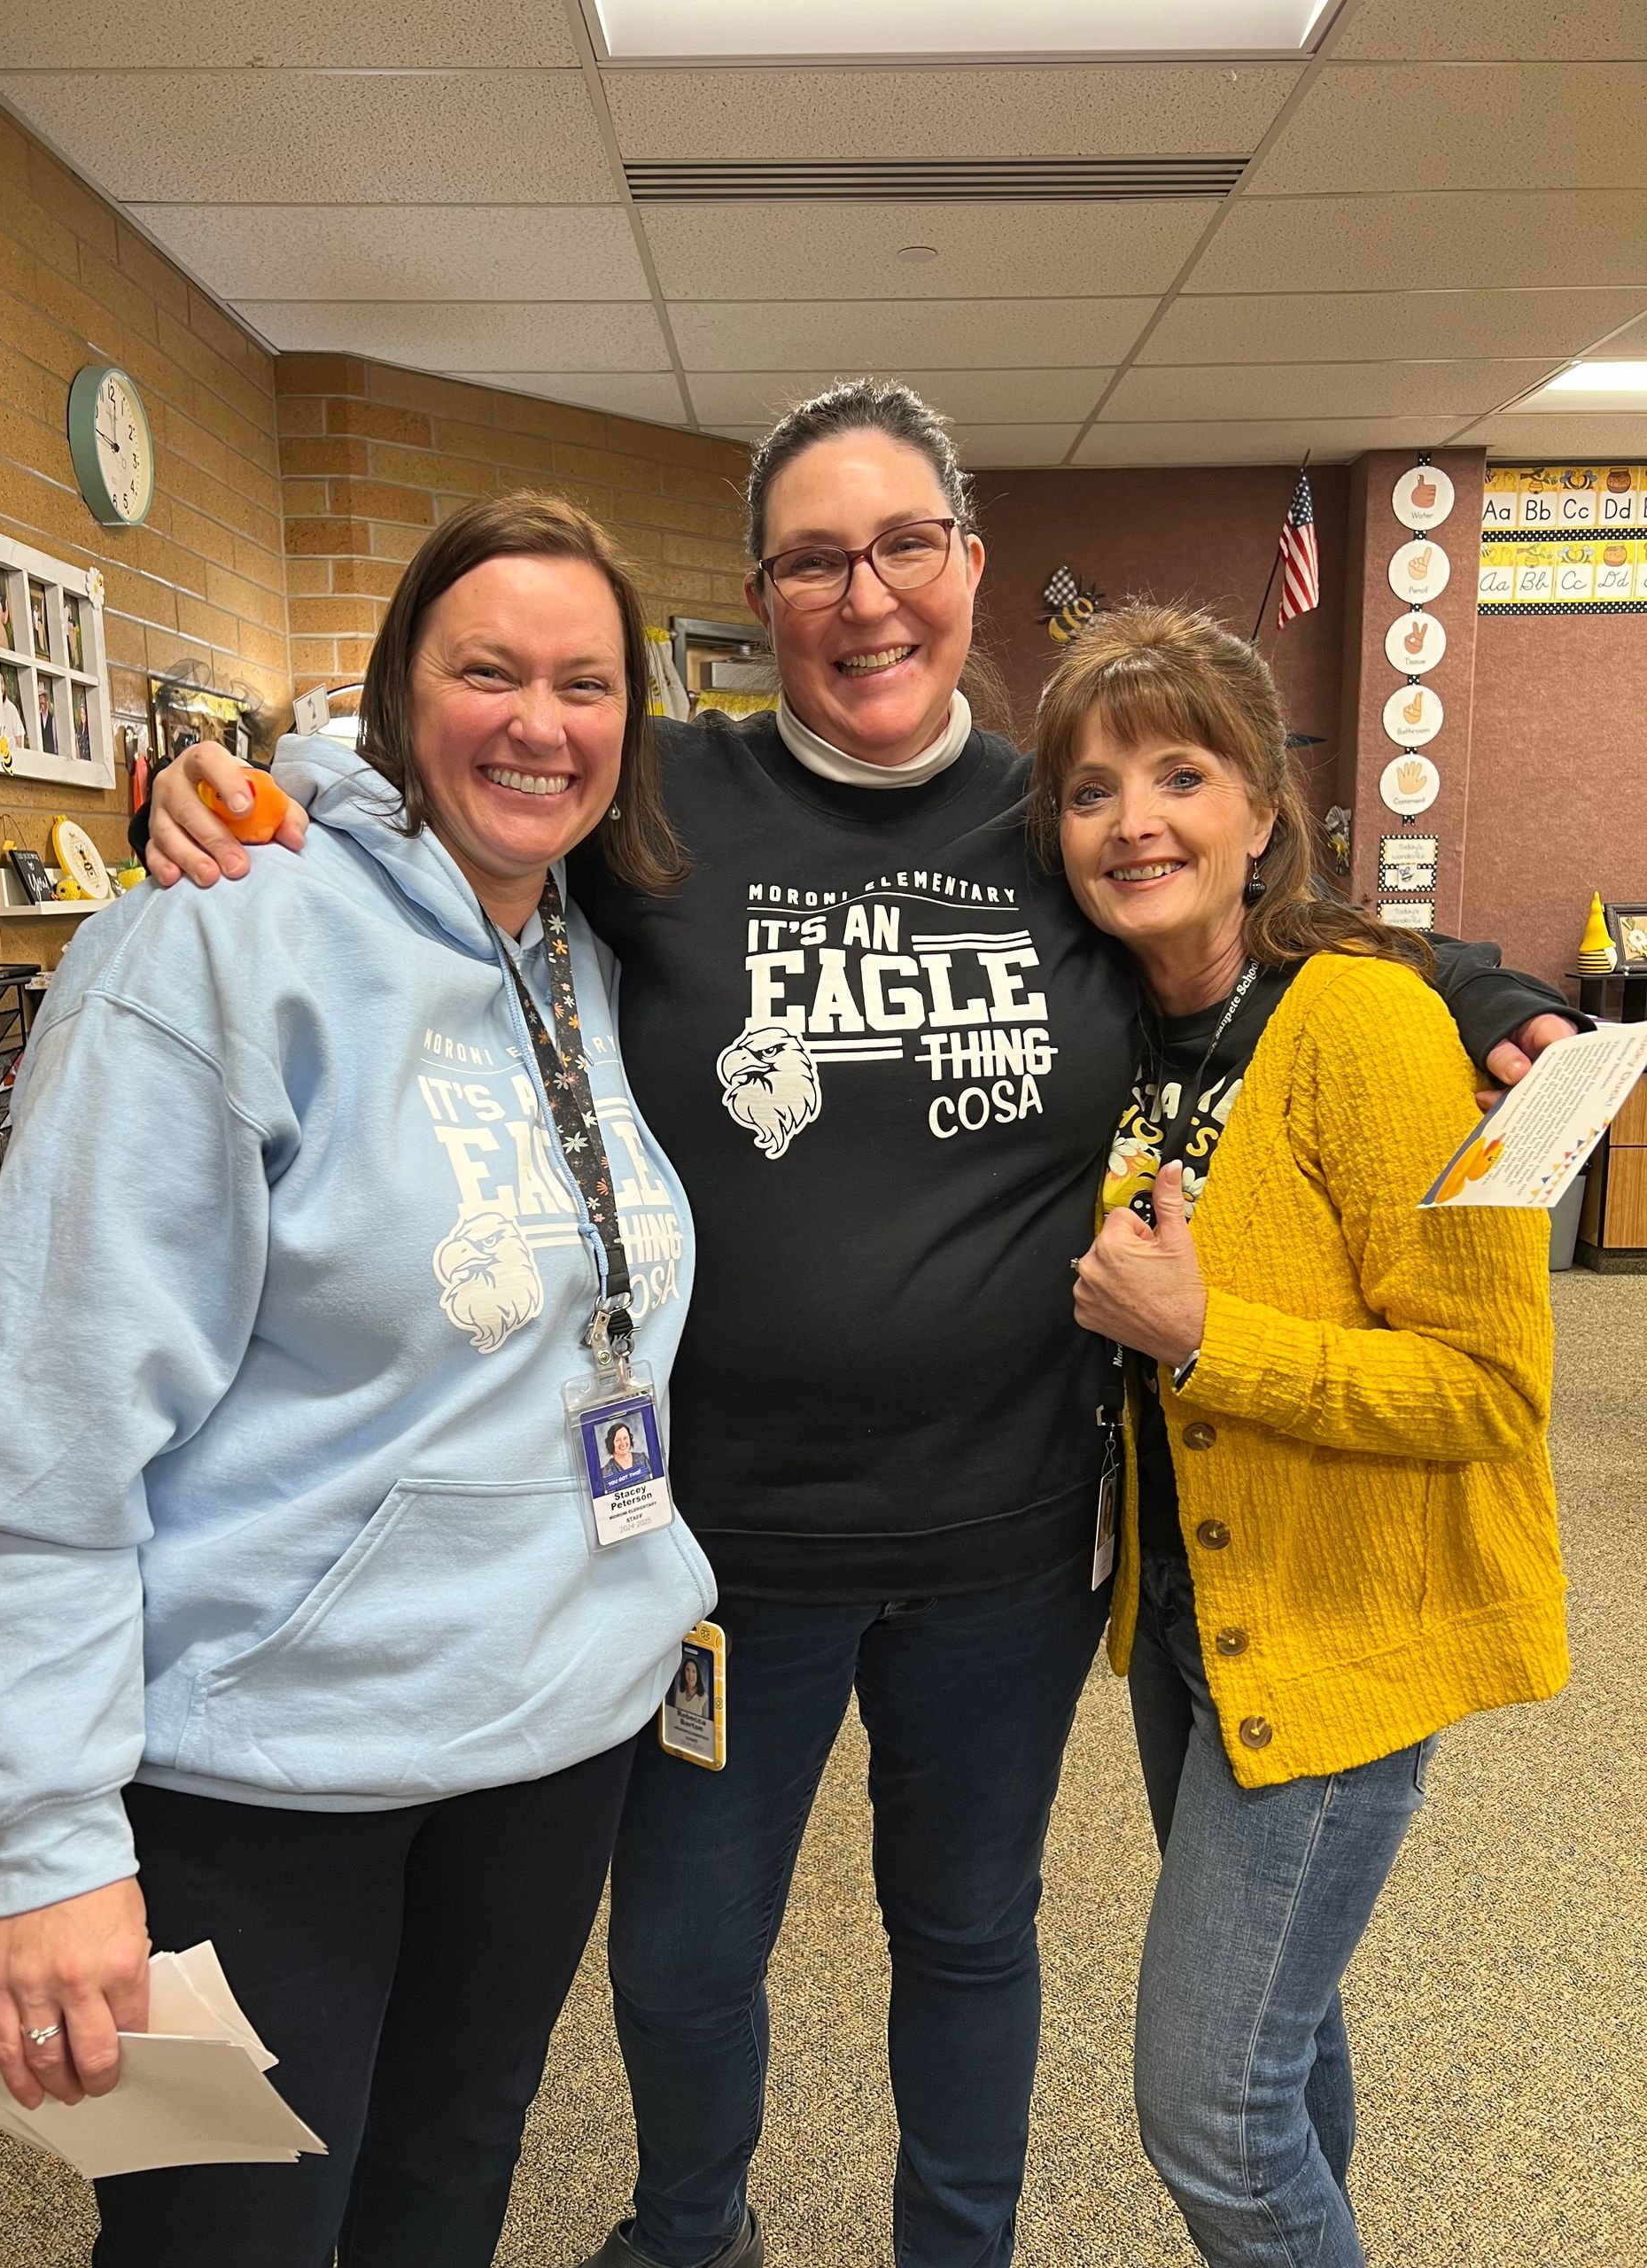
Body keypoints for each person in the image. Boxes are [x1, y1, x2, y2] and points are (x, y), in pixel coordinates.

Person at [136, 384, 1580, 2268]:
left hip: (1005, 1539)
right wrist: (247, 787)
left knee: (969, 1935)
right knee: (677, 1949)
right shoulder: (663, 802)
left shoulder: (1061, 814)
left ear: (972, 568)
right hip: (712, 1540)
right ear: (759, 595)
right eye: (815, 558)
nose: (866, 594)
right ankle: (691, 2231)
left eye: (906, 544)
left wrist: (1476, 974)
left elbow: (1249, 915)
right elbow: (468, 797)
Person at [0, 496, 715, 2268]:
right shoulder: (214, 937)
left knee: (443, 2192)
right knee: (218, 2238)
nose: (541, 719)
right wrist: (50, 1835)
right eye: (490, 671)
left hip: (546, 1745)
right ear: (395, 694)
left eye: (587, 682)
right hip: (249, 1781)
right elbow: (42, 1421)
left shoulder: (579, 955)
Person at [1045, 604, 1567, 2265]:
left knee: (1205, 2107)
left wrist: (1209, 1345)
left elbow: (1490, 1391)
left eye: (1180, 774)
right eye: (1090, 789)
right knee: (1285, 2043)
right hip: (1197, 1621)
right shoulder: (1119, 1024)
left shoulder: (1362, 1022)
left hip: (1345, 1638)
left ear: (1266, 810)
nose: (1135, 820)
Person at [603, 1418, 655, 1490]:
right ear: (611, 1444)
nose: (623, 1443)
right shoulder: (606, 1472)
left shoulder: (643, 1459)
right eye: (618, 1440)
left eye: (625, 1438)